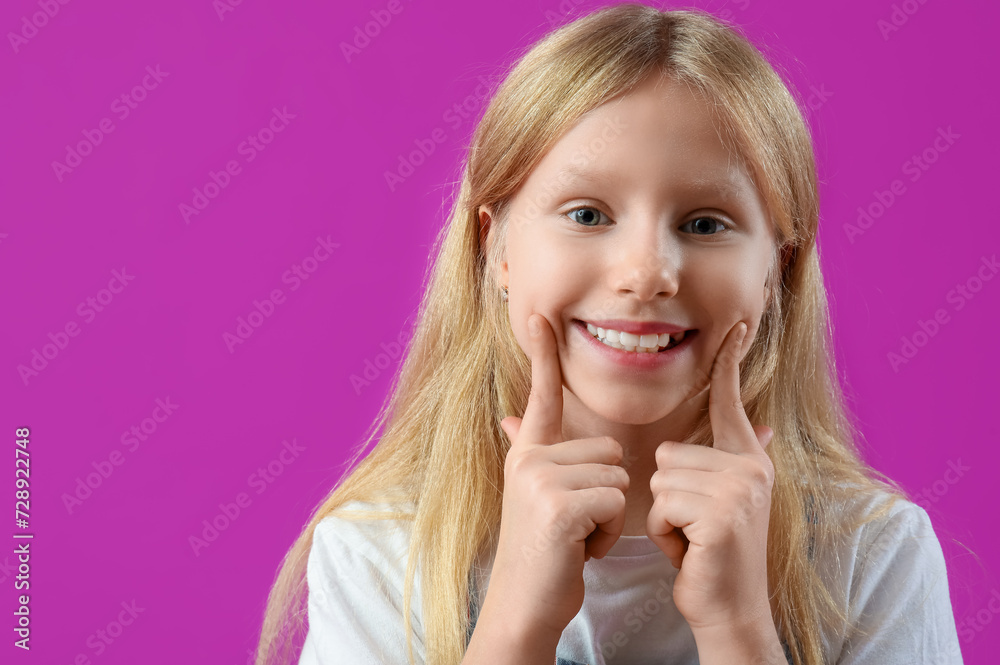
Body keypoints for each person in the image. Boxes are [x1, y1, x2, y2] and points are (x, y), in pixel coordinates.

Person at [254, 4, 963, 664]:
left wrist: (738, 628)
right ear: (496, 248)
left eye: (705, 223)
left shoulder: (873, 557)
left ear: (776, 269)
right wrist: (514, 625)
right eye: (588, 214)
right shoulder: (382, 551)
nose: (647, 272)